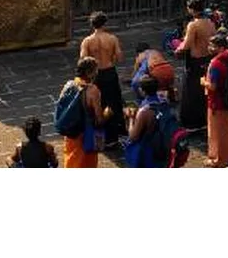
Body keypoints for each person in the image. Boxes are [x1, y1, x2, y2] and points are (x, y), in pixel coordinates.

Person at [80, 11, 125, 148]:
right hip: (110, 72)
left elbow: (83, 60)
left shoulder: (87, 41)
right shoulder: (112, 38)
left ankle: (98, 135)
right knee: (112, 103)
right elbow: (119, 57)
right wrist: (109, 58)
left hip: (95, 75)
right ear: (104, 23)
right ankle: (112, 137)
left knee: (96, 104)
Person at [174, 0, 215, 131]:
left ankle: (192, 123)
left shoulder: (194, 25)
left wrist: (177, 48)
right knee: (203, 91)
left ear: (191, 9)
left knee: (191, 91)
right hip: (207, 59)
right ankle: (204, 119)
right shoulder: (210, 22)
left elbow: (187, 44)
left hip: (195, 61)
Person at [60, 57, 109, 168]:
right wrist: (107, 114)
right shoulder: (93, 90)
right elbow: (99, 118)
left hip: (71, 133)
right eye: (95, 70)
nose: (97, 72)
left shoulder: (68, 85)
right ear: (88, 72)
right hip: (85, 134)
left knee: (71, 160)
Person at [202, 32, 228, 167]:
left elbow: (212, 86)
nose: (209, 48)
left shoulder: (216, 64)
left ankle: (219, 159)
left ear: (220, 47)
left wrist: (203, 82)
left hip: (217, 102)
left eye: (212, 46)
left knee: (216, 132)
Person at [125, 77, 172, 168]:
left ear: (142, 91)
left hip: (149, 152)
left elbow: (133, 136)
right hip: (164, 146)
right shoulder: (164, 102)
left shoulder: (144, 111)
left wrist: (130, 119)